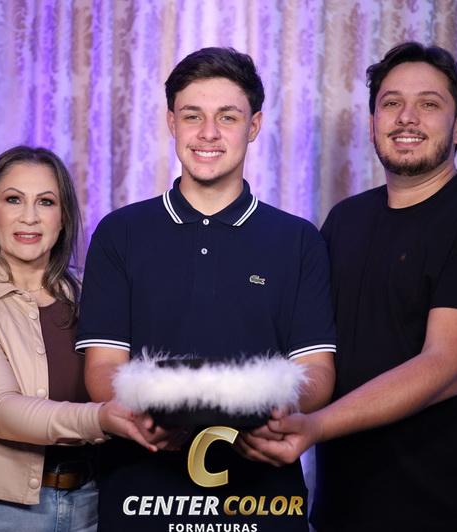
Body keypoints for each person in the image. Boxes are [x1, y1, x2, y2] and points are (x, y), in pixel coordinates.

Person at [242, 42, 457, 531]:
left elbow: (446, 367)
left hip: (454, 511)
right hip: (346, 508)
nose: (407, 117)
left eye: (429, 104)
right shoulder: (345, 220)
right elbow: (310, 345)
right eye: (392, 103)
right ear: (373, 122)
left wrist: (314, 426)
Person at [75, 47, 336, 531]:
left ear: (254, 126)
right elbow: (103, 368)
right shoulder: (120, 233)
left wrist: (285, 407)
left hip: (262, 502)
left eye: (227, 117)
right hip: (142, 499)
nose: (208, 133)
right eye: (193, 115)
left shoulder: (298, 240)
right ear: (171, 122)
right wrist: (141, 412)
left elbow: (317, 371)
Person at [0, 146, 154, 532]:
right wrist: (101, 418)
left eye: (46, 202)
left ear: (63, 217)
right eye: (13, 199)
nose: (29, 217)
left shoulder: (96, 297)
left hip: (93, 504)